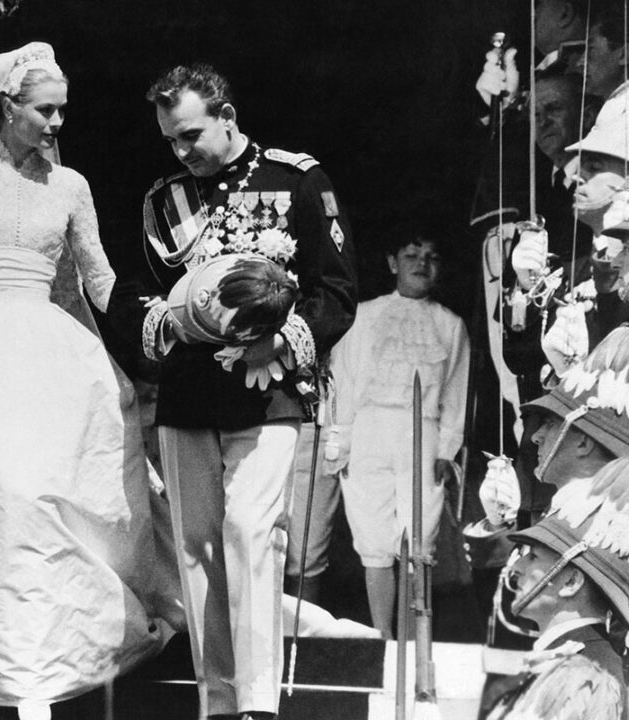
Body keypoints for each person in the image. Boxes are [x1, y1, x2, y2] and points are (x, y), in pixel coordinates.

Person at [0, 41, 175, 720]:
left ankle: (47, 652)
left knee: (47, 499)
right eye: (44, 110)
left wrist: (162, 320)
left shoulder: (70, 186)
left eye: (62, 112)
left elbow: (97, 280)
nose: (55, 125)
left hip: (49, 355)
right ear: (7, 106)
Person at [108, 63, 358, 720]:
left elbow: (336, 290)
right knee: (197, 550)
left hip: (268, 390)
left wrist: (283, 341)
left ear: (226, 115)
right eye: (170, 141)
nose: (181, 151)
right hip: (190, 394)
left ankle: (257, 704)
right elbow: (133, 288)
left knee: (251, 530)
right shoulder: (163, 199)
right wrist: (156, 320)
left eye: (191, 134)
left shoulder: (296, 180)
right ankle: (217, 704)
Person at [326, 227, 470, 637]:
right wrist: (342, 444)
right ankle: (383, 637)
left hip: (421, 436)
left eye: (431, 258)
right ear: (393, 263)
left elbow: (456, 391)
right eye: (412, 256)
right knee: (372, 539)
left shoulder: (450, 325)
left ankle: (416, 634)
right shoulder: (363, 317)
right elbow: (344, 384)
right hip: (370, 431)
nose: (422, 265)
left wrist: (447, 448)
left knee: (418, 539)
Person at [483, 490, 629, 720]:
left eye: (533, 557)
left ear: (571, 582)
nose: (516, 567)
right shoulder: (572, 656)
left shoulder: (590, 670)